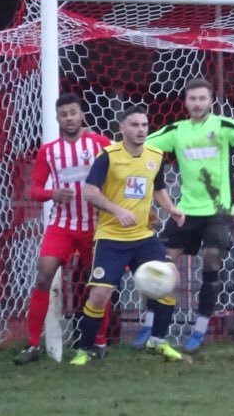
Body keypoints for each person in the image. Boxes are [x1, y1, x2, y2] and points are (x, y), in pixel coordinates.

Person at [141, 77, 234, 353]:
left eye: (202, 98)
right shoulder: (177, 130)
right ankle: (149, 326)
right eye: (193, 98)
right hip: (186, 210)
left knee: (210, 261)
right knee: (161, 264)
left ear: (211, 101)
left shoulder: (223, 125)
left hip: (217, 211)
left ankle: (199, 329)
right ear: (185, 102)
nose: (197, 104)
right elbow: (144, 147)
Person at [71, 106, 187, 365]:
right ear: (122, 128)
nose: (141, 130)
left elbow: (157, 187)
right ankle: (85, 349)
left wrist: (171, 209)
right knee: (99, 295)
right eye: (134, 125)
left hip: (143, 236)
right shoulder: (108, 156)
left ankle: (157, 341)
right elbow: (89, 192)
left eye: (144, 125)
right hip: (111, 237)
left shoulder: (155, 155)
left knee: (171, 279)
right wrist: (116, 210)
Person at [15, 94, 115, 365]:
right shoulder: (48, 151)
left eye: (73, 113)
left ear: (81, 114)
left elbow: (120, 173)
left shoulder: (100, 144)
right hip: (62, 225)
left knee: (99, 284)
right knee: (43, 276)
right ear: (57, 118)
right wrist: (53, 194)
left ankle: (99, 342)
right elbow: (35, 190)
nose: (69, 118)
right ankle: (33, 345)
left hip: (95, 226)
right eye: (64, 114)